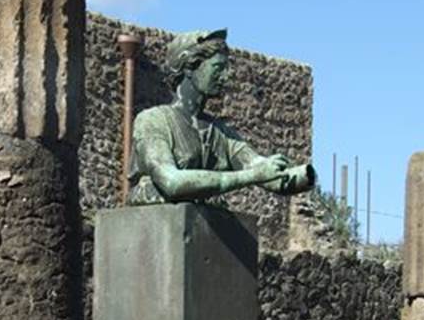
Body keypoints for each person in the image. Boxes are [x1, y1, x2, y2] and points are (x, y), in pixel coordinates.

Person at [127, 28, 315, 205]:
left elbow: (260, 169)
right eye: (218, 67)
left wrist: (297, 173)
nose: (226, 76)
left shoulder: (221, 133)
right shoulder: (153, 120)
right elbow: (171, 182)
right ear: (189, 67)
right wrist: (252, 176)